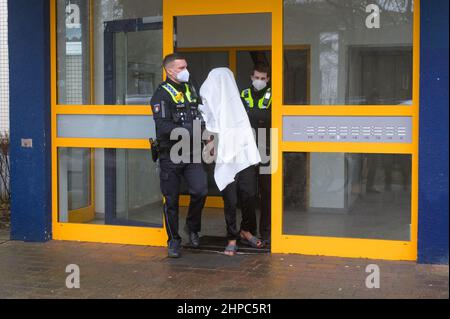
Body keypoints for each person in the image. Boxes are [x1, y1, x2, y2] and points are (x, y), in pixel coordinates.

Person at [199, 68, 263, 256]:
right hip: (222, 156)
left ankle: (246, 230)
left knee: (249, 194)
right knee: (230, 199)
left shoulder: (238, 100)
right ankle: (232, 237)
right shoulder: (207, 104)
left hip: (243, 155)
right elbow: (207, 129)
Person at [150, 53, 208, 258]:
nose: (186, 70)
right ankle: (173, 240)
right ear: (170, 70)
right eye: (181, 68)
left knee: (200, 191)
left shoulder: (190, 88)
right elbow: (163, 126)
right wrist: (189, 130)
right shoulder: (161, 94)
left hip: (192, 152)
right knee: (171, 200)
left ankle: (192, 227)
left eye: (186, 66)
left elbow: (199, 112)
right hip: (170, 154)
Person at [241, 63, 272, 243]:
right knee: (248, 192)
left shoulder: (273, 95)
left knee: (267, 192)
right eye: (257, 78)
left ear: (267, 79)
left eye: (263, 78)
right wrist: (260, 115)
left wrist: (252, 115)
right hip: (246, 148)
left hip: (267, 148)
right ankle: (248, 230)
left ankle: (266, 232)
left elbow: (271, 118)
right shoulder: (243, 94)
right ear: (251, 77)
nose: (259, 81)